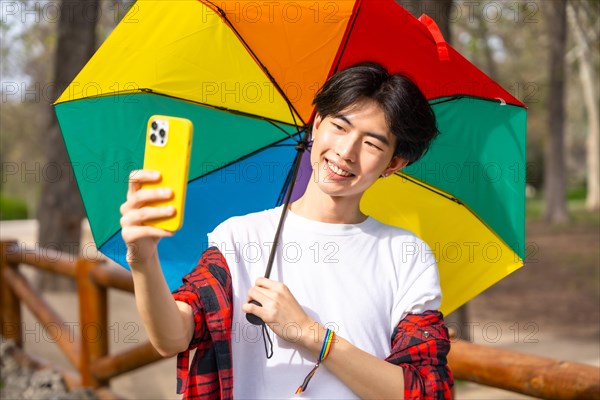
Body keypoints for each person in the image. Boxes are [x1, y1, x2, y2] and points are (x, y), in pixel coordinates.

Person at [120, 62, 453, 399]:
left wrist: (309, 334)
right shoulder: (239, 236)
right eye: (339, 126)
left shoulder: (405, 254)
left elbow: (423, 390)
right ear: (317, 125)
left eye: (372, 144)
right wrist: (143, 259)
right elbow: (173, 337)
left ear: (393, 164)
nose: (346, 152)